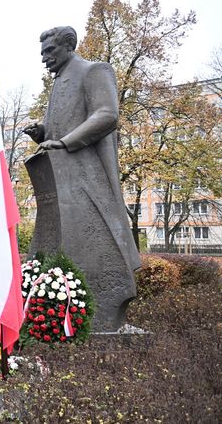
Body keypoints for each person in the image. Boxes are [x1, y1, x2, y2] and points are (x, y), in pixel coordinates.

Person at [23, 26, 139, 331]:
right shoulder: (58, 85)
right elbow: (54, 131)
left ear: (68, 46)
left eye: (50, 51)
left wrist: (63, 142)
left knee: (96, 240)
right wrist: (42, 134)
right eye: (42, 52)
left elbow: (106, 115)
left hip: (88, 176)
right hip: (62, 179)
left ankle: (105, 314)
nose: (45, 58)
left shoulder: (94, 71)